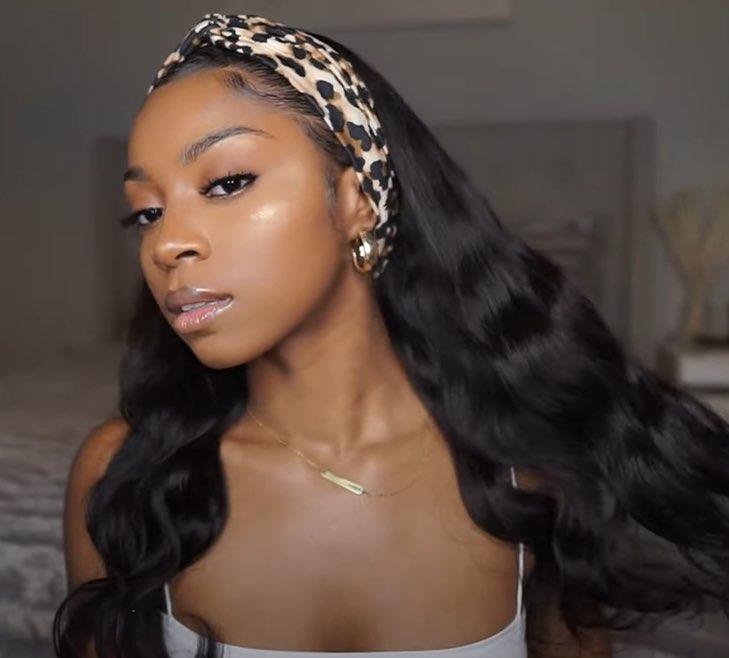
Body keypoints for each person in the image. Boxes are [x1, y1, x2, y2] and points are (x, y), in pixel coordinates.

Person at [54, 13, 729, 658]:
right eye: (146, 212)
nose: (166, 243)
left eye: (228, 182)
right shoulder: (122, 479)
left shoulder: (527, 472)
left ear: (358, 200)